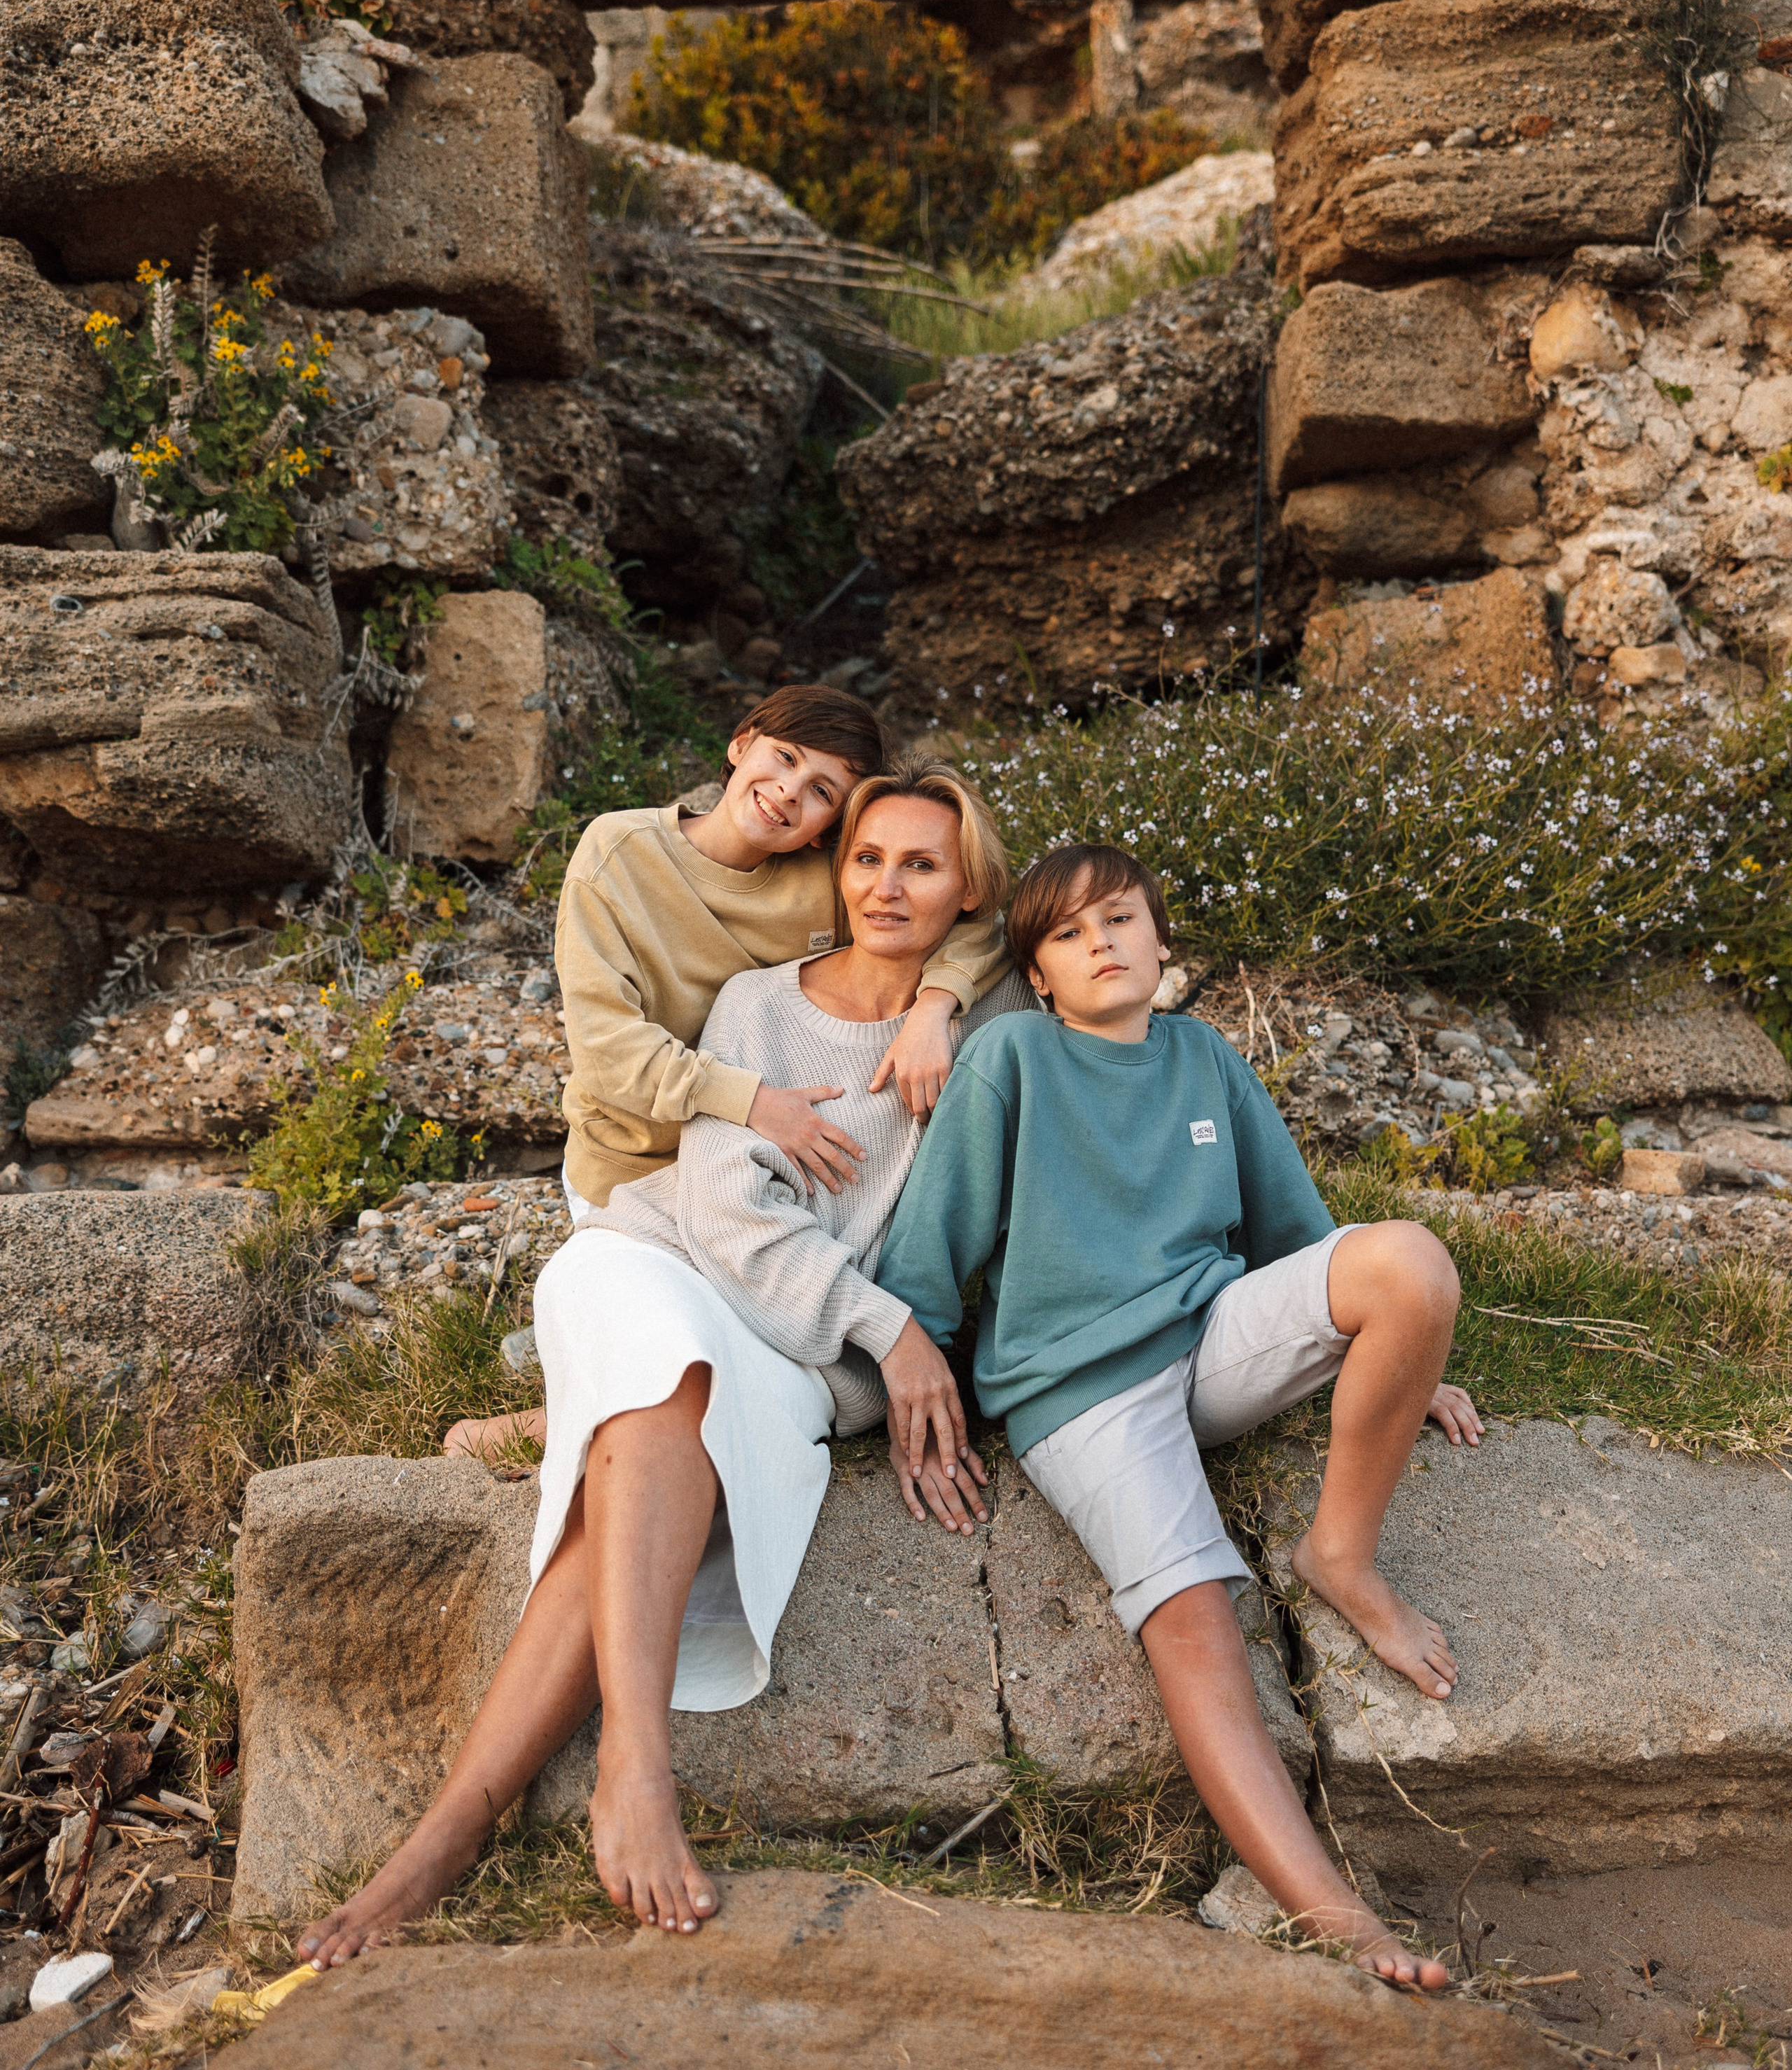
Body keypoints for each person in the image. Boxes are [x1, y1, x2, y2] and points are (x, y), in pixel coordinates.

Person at [297, 756, 1033, 1968]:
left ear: (967, 893)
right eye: (865, 857)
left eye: (921, 864)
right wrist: (891, 1329)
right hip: (667, 1259)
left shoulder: (994, 1035)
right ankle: (635, 1765)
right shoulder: (756, 1002)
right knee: (671, 1370)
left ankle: (441, 1837)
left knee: (643, 1445)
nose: (886, 886)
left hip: (800, 1349)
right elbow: (732, 1213)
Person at [874, 841, 1485, 1993]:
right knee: (1195, 1619)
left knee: (1411, 1259)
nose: (1102, 940)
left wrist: (1406, 1354)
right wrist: (912, 1371)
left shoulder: (1204, 1054)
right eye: (1067, 932)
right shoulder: (1011, 1055)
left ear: (1164, 944)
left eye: (1122, 919)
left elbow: (1306, 1242)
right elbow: (927, 1254)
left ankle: (1340, 1553)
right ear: (1040, 975)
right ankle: (1331, 1911)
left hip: (1213, 1342)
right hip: (1080, 1385)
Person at [445, 681, 1010, 1467]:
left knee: (744, 1332)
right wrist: (752, 1103)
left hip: (770, 1164)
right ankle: (548, 1423)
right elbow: (610, 1052)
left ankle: (575, 1413)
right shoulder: (618, 853)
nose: (786, 794)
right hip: (638, 1162)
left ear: (830, 829)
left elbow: (972, 919)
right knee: (676, 1351)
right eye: (781, 758)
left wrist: (934, 1006)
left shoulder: (826, 879)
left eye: (822, 793)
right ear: (741, 743)